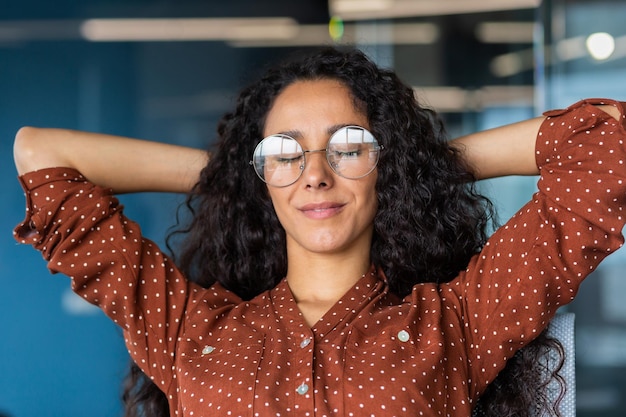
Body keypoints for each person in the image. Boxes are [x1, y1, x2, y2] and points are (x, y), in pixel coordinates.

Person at [12, 47, 625, 417]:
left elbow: (607, 141)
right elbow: (41, 153)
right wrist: (238, 173)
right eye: (285, 153)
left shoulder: (456, 325)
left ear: (388, 166)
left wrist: (419, 161)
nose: (314, 175)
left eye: (349, 147)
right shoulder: (185, 330)